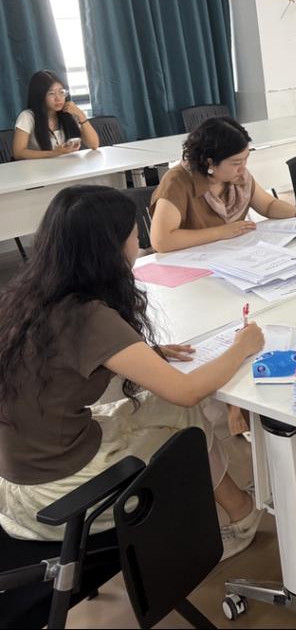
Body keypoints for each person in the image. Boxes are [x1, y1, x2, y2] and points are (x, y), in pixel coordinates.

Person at [0, 186, 265, 558]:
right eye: (134, 237)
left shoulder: (30, 295)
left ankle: (238, 508)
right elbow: (187, 391)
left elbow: (60, 367)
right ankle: (239, 513)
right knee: (186, 419)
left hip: (25, 472)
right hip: (55, 498)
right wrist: (242, 347)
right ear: (108, 250)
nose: (139, 247)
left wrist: (142, 355)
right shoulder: (88, 317)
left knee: (173, 409)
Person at [149, 117, 296, 253]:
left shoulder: (237, 177)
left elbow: (268, 205)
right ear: (210, 162)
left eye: (245, 159)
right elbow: (161, 240)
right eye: (236, 163)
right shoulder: (177, 182)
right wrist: (221, 232)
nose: (243, 168)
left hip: (229, 255)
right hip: (189, 264)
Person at [13, 70, 100, 160]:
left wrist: (81, 115)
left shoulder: (69, 113)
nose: (58, 98)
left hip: (66, 166)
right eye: (51, 93)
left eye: (61, 92)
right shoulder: (27, 117)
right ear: (39, 96)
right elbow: (19, 153)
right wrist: (53, 153)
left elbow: (94, 145)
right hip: (39, 168)